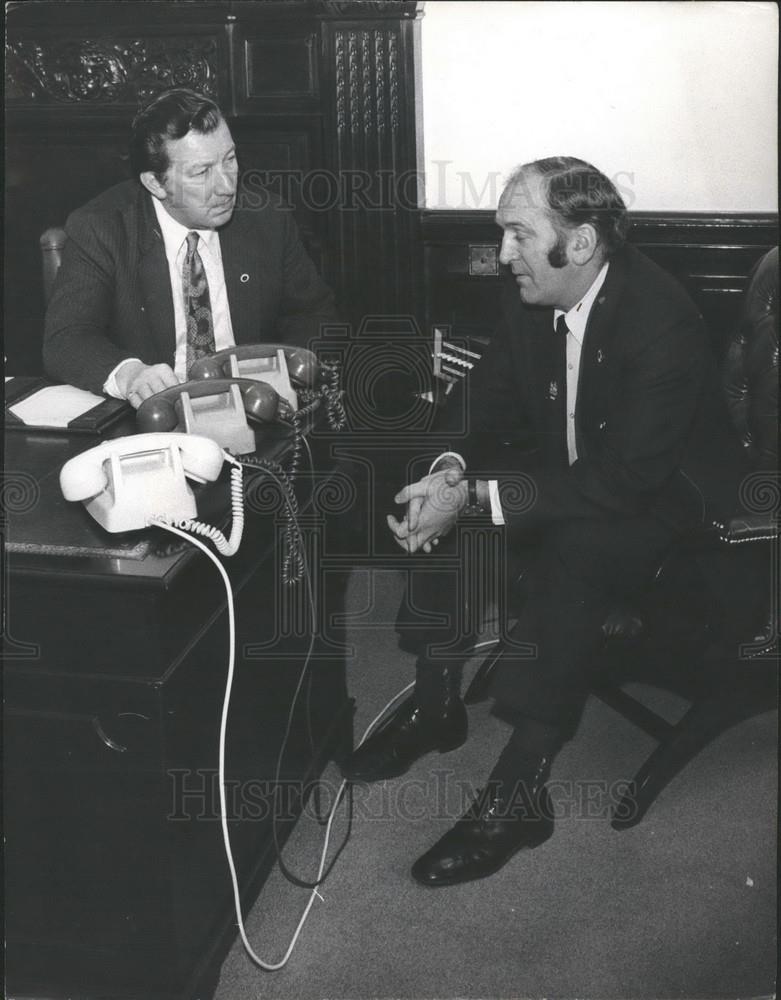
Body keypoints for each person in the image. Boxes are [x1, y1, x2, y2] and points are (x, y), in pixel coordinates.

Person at [340, 156, 740, 887]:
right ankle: (434, 709)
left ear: (580, 243)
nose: (501, 255)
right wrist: (445, 475)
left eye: (518, 235)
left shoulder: (664, 322)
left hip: (665, 500)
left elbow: (622, 481)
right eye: (501, 234)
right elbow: (478, 397)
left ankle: (518, 790)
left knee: (576, 550)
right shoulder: (531, 290)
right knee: (461, 503)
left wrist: (482, 495)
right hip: (583, 464)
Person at [43, 87, 336, 406]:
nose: (227, 186)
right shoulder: (102, 228)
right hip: (155, 417)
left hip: (255, 405)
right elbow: (66, 339)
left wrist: (288, 380)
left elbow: (314, 315)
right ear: (155, 183)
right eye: (202, 172)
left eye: (230, 159)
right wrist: (131, 375)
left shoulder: (267, 218)